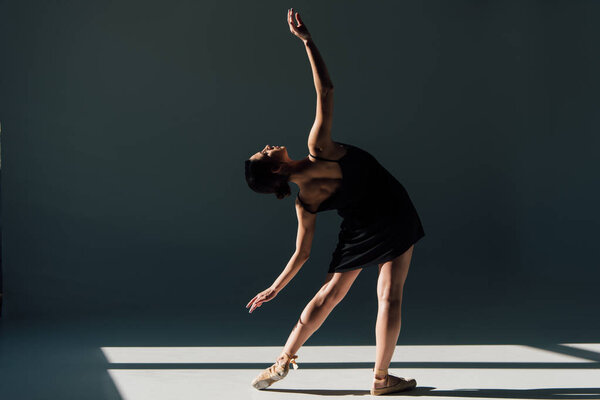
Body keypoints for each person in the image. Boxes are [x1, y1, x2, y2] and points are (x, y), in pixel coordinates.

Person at [244, 8, 425, 396]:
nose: (267, 146)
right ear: (275, 171)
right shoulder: (319, 149)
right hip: (393, 214)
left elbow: (302, 254)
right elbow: (325, 90)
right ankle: (381, 379)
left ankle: (284, 360)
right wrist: (308, 42)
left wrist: (276, 287)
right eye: (264, 154)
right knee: (389, 297)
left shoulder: (304, 201)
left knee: (328, 296)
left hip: (360, 227)